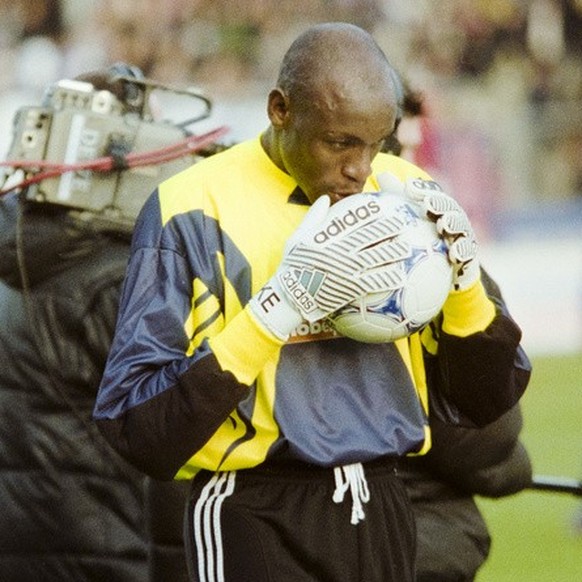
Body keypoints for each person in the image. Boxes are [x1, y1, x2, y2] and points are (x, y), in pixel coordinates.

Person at [94, 22, 532, 581]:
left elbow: (485, 403)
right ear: (280, 110)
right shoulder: (190, 207)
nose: (360, 169)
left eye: (374, 144)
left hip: (385, 507)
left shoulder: (405, 194)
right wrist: (272, 315)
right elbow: (134, 426)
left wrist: (466, 290)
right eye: (340, 142)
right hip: (253, 511)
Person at [384, 78, 533, 582]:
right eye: (397, 149)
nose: (409, 169)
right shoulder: (426, 262)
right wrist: (515, 469)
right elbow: (484, 440)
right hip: (413, 542)